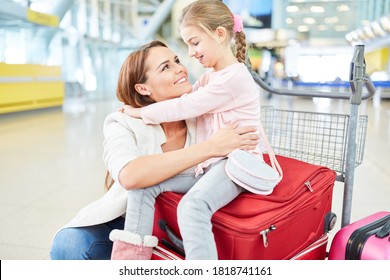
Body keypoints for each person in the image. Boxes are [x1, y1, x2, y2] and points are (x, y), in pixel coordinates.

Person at [49, 40, 258, 260]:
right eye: (165, 67)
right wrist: (210, 148)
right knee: (69, 245)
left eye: (176, 60)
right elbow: (130, 175)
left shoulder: (202, 113)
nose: (179, 68)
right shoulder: (122, 121)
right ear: (143, 88)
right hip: (129, 218)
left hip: (187, 219)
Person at [120, 0, 279, 260]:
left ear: (219, 34)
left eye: (194, 42)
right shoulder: (209, 77)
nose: (191, 52)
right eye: (187, 45)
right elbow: (182, 102)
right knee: (143, 187)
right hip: (211, 164)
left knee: (193, 207)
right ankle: (130, 264)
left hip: (235, 164)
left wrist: (140, 112)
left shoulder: (234, 78)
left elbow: (185, 106)